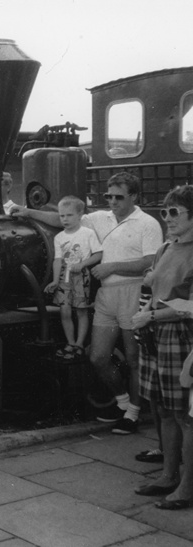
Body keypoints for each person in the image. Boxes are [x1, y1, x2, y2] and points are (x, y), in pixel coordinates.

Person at [12, 172, 163, 434]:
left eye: (119, 197)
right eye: (109, 196)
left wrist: (112, 267)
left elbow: (151, 261)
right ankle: (122, 401)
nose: (112, 202)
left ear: (134, 196)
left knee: (133, 357)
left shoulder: (148, 224)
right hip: (106, 295)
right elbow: (62, 219)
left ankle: (133, 414)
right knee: (98, 357)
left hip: (132, 291)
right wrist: (26, 212)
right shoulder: (100, 218)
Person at [130, 185, 193, 510]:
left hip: (181, 337)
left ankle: (187, 487)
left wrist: (151, 316)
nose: (167, 218)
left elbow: (191, 307)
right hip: (156, 334)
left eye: (174, 212)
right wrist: (146, 313)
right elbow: (154, 291)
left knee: (184, 414)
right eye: (164, 212)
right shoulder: (166, 248)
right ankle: (169, 475)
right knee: (164, 409)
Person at [44, 196, 103, 360]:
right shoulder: (59, 237)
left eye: (69, 215)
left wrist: (83, 264)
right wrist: (55, 280)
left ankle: (79, 344)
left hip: (81, 277)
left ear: (80, 215)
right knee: (65, 311)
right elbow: (57, 260)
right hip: (65, 278)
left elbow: (98, 254)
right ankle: (70, 342)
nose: (65, 219)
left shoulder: (88, 233)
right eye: (62, 216)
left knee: (81, 311)